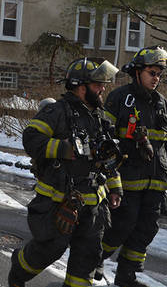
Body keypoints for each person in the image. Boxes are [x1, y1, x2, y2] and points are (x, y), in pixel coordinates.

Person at [8, 57, 123, 287]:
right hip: (59, 200)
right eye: (97, 85)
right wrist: (64, 149)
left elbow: (106, 158)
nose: (103, 89)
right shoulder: (57, 111)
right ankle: (18, 272)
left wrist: (115, 187)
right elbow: (31, 139)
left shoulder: (99, 118)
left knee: (87, 259)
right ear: (81, 87)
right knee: (50, 248)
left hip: (93, 205)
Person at [97, 46, 167, 286]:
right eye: (152, 73)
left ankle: (126, 276)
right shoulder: (120, 98)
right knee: (121, 225)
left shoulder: (161, 103)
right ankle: (95, 260)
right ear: (137, 72)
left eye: (159, 74)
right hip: (127, 178)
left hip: (156, 180)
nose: (156, 78)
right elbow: (104, 134)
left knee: (146, 229)